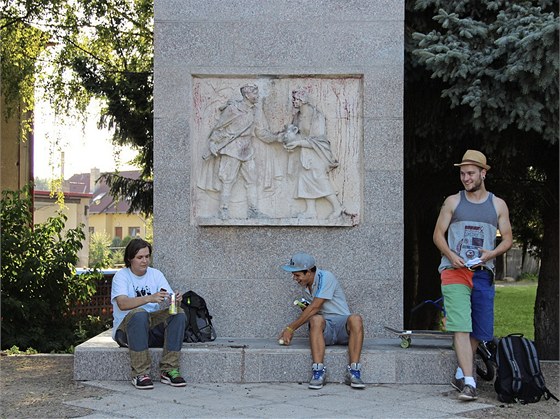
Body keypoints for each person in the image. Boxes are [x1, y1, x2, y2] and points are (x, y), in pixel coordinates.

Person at [433, 150, 512, 401]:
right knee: (460, 325)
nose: (465, 178)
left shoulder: (498, 204)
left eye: (470, 174)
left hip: (482, 272)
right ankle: (469, 382)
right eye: (462, 174)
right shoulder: (452, 201)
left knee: (479, 328)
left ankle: (461, 371)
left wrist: (491, 254)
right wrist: (450, 255)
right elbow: (437, 235)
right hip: (454, 271)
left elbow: (508, 239)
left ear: (483, 173)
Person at [279, 252, 365, 389]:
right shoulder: (307, 288)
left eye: (296, 275)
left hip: (343, 328)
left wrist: (290, 328)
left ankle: (354, 372)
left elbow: (316, 306)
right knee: (316, 320)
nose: (294, 278)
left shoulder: (326, 277)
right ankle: (318, 372)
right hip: (326, 330)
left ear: (308, 272)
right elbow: (314, 311)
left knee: (356, 318)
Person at [111, 238, 187, 390]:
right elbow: (122, 303)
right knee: (140, 314)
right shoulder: (121, 276)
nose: (144, 261)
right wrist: (149, 298)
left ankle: (168, 370)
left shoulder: (155, 274)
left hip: (149, 328)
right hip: (126, 331)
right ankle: (140, 374)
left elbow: (169, 298)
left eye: (147, 256)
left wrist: (176, 298)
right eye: (140, 257)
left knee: (178, 313)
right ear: (129, 258)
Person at [202, 84, 282, 219]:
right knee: (228, 180)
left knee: (252, 180)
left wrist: (276, 138)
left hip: (247, 150)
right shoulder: (233, 109)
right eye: (254, 94)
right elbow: (219, 128)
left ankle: (253, 211)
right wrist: (213, 144)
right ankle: (223, 210)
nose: (257, 96)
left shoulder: (256, 111)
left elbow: (260, 132)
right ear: (247, 95)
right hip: (231, 149)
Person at [283, 89, 344, 219]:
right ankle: (310, 211)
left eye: (297, 99)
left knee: (320, 180)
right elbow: (295, 133)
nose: (294, 101)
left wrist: (298, 143)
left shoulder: (317, 116)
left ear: (303, 100)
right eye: (294, 99)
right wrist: (289, 141)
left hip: (318, 152)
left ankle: (337, 207)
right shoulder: (297, 116)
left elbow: (319, 139)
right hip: (304, 154)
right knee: (304, 180)